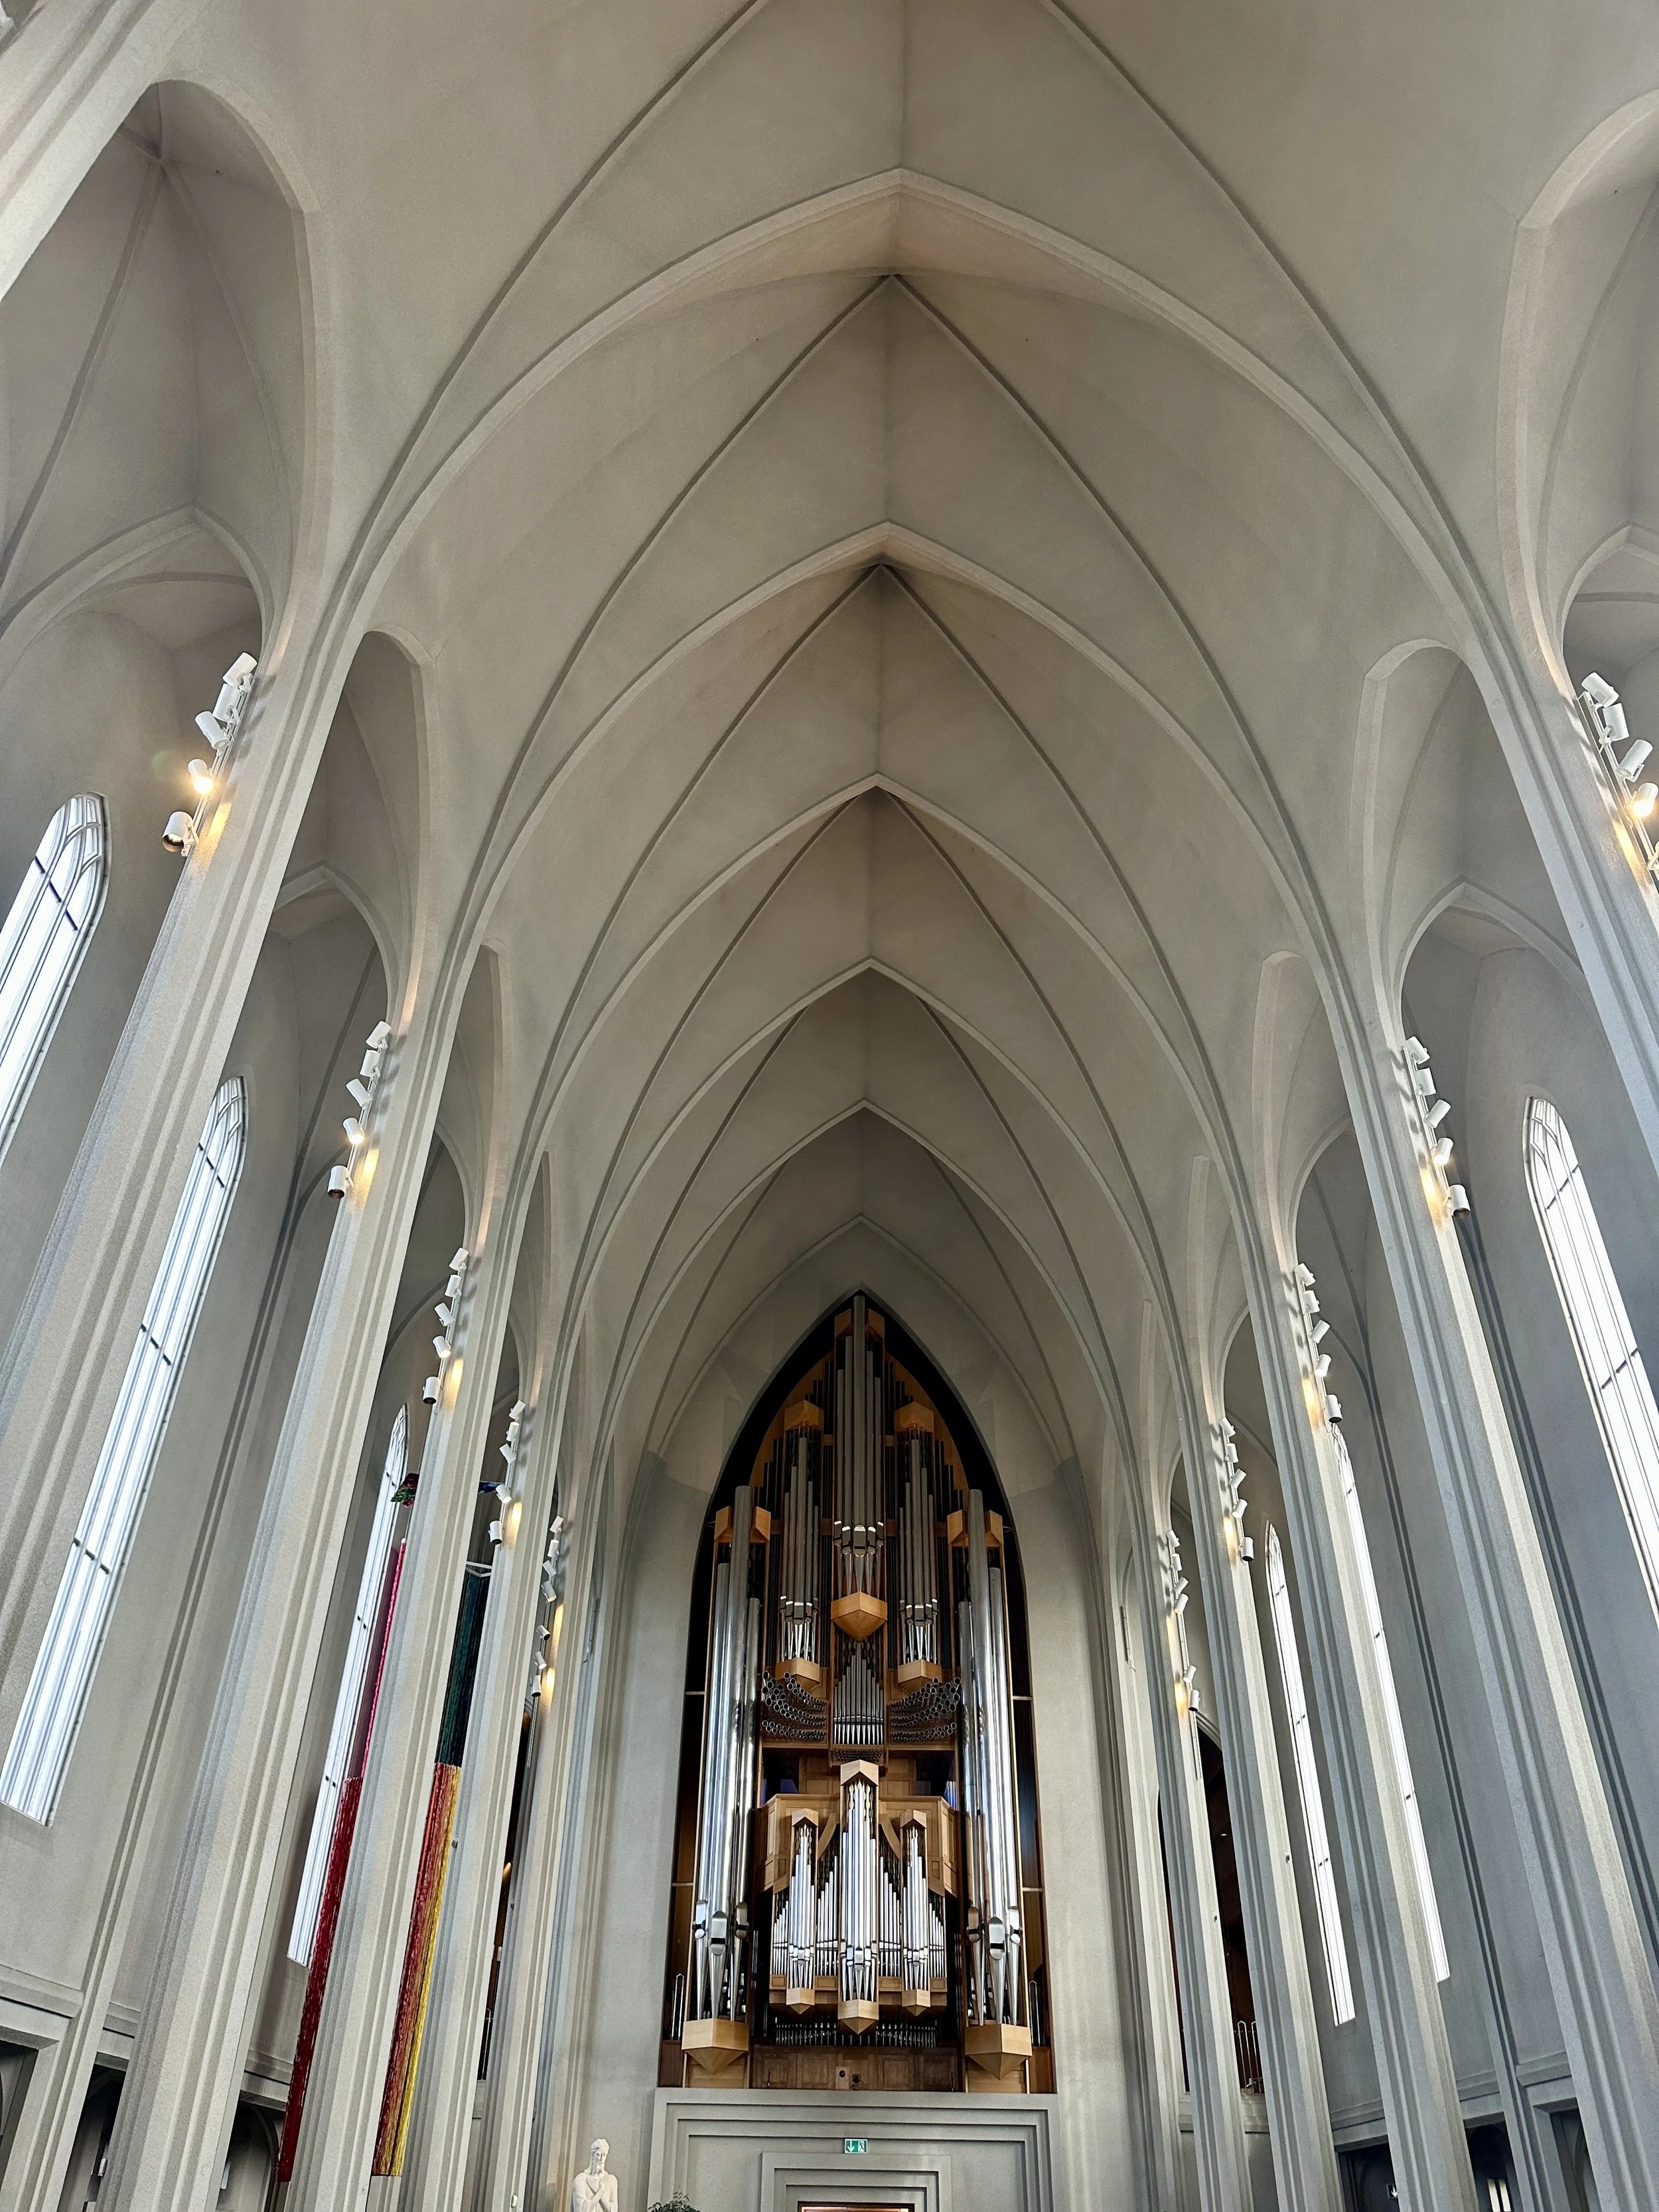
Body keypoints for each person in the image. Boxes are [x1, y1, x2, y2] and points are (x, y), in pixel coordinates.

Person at [571, 2138, 618, 2212]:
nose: (601, 2159)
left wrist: (600, 2193)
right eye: (598, 2155)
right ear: (593, 2156)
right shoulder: (581, 2179)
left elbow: (613, 2210)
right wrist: (600, 2193)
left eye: (604, 2155)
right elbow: (581, 2210)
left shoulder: (611, 2180)